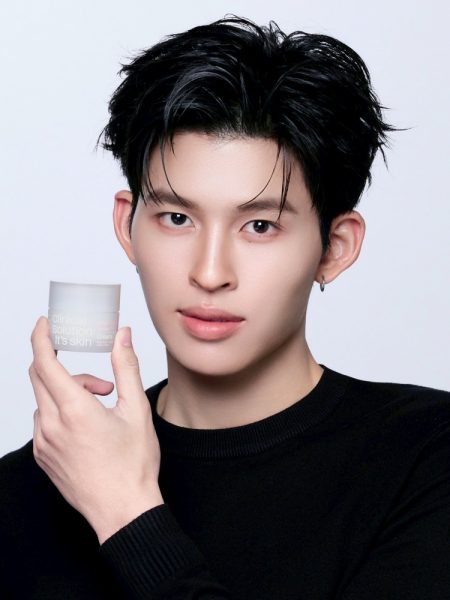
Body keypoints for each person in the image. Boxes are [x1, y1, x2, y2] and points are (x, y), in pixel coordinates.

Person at [1, 15, 449, 600]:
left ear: (334, 248)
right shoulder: (22, 493)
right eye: (176, 218)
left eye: (260, 226)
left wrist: (124, 510)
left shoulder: (424, 456)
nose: (210, 273)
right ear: (127, 226)